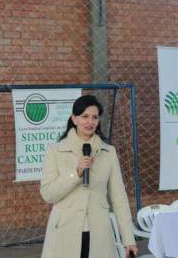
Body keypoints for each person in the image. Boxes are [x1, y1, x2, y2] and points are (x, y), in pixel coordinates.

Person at [40, 95, 138, 258]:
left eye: (94, 117)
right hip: (65, 232)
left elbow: (119, 199)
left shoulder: (108, 152)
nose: (90, 122)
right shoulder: (55, 151)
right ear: (74, 119)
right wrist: (76, 173)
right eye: (85, 116)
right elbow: (48, 194)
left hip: (99, 233)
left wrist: (129, 240)